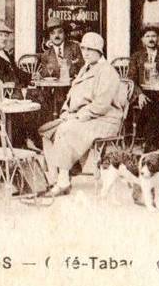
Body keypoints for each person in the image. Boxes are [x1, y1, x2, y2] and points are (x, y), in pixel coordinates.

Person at [39, 32, 124, 197]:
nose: (85, 53)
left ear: (99, 51)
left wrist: (77, 116)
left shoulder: (107, 71)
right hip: (83, 117)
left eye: (90, 49)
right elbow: (72, 94)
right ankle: (55, 178)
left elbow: (101, 104)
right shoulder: (86, 68)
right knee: (46, 131)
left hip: (105, 119)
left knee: (65, 129)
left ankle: (63, 181)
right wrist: (65, 111)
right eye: (83, 48)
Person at [127, 23, 159, 150]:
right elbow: (131, 78)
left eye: (154, 36)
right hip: (142, 93)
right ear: (143, 39)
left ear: (158, 38)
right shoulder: (136, 57)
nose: (151, 39)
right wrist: (139, 94)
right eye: (147, 36)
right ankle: (151, 143)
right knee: (149, 104)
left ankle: (153, 143)